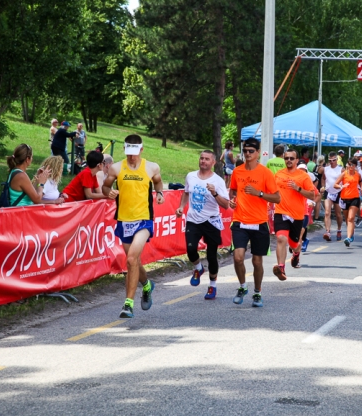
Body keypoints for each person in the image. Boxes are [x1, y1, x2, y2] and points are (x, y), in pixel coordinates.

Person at [102, 134, 164, 319]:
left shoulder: (151, 167)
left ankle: (128, 304)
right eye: (128, 153)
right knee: (134, 262)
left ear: (141, 150)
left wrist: (160, 193)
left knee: (130, 260)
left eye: (135, 153)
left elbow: (158, 181)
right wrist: (109, 192)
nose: (131, 157)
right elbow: (105, 187)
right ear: (125, 150)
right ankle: (146, 285)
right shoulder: (116, 168)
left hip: (144, 220)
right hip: (124, 220)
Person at [228, 138, 281, 307]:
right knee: (238, 258)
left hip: (259, 223)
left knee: (257, 262)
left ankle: (257, 292)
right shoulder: (237, 171)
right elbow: (233, 191)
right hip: (240, 221)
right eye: (245, 151)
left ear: (258, 152)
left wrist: (259, 194)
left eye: (251, 151)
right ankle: (243, 287)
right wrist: (232, 201)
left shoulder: (265, 173)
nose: (248, 154)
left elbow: (277, 198)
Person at [176, 150, 230, 300]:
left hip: (211, 221)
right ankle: (198, 268)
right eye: (201, 158)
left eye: (207, 159)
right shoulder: (191, 176)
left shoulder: (218, 181)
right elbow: (186, 192)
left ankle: (212, 285)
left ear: (213, 162)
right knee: (191, 249)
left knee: (212, 256)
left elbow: (225, 205)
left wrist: (214, 193)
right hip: (193, 219)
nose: (203, 161)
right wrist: (181, 207)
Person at [273, 150, 317, 278]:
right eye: (286, 158)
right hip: (280, 212)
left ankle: (296, 254)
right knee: (281, 239)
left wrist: (298, 188)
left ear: (297, 160)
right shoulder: (278, 175)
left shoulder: (303, 176)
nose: (289, 161)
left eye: (292, 158)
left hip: (297, 215)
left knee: (294, 245)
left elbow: (312, 195)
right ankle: (281, 268)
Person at [334, 157, 362, 247]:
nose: (350, 166)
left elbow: (361, 184)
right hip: (344, 198)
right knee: (347, 219)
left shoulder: (358, 175)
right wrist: (341, 187)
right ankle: (351, 233)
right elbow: (335, 184)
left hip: (355, 198)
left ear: (355, 166)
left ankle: (348, 238)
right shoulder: (344, 174)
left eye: (352, 165)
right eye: (349, 164)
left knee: (351, 218)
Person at [321, 151, 344, 241]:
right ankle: (328, 232)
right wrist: (323, 186)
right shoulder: (326, 169)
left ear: (337, 159)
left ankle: (339, 229)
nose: (332, 162)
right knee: (327, 212)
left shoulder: (341, 169)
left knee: (338, 214)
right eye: (330, 160)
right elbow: (323, 179)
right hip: (328, 192)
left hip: (338, 192)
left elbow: (345, 180)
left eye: (333, 160)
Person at [297, 163, 319, 252]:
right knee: (296, 231)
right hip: (293, 211)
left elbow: (318, 194)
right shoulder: (292, 182)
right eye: (300, 171)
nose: (301, 173)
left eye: (304, 171)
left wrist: (313, 203)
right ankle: (302, 241)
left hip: (305, 209)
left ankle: (300, 245)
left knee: (302, 229)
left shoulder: (309, 183)